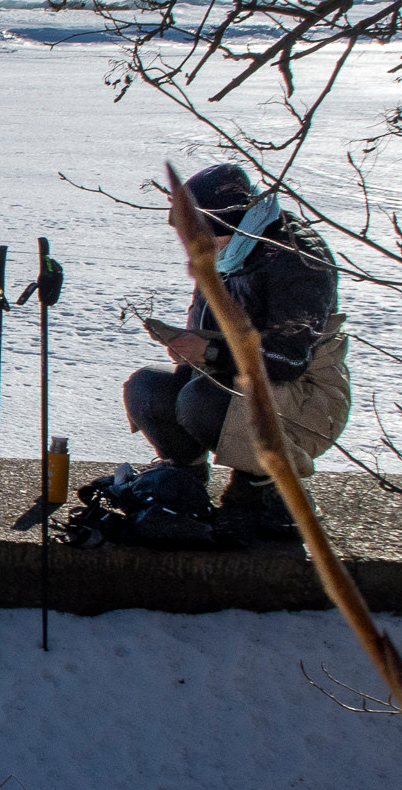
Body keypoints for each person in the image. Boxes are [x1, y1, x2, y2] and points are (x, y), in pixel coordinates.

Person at [122, 163, 350, 537]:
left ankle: (264, 486)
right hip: (242, 383)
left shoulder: (295, 257)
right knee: (148, 390)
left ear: (232, 224)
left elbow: (289, 359)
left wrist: (209, 354)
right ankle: (185, 478)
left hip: (307, 399)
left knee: (198, 400)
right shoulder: (227, 255)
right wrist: (187, 352)